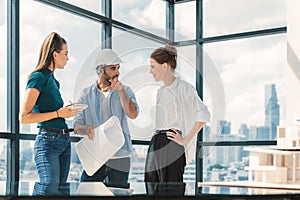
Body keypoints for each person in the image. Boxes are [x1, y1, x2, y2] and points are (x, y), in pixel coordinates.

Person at [19, 32, 84, 195]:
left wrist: (65, 112)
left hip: (63, 141)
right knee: (48, 188)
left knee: (61, 191)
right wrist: (59, 113)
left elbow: (55, 112)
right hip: (48, 142)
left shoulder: (54, 82)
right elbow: (24, 117)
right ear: (55, 54)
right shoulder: (37, 77)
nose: (68, 58)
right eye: (66, 53)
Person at [73, 49, 139, 188]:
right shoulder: (85, 94)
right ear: (101, 70)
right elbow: (77, 126)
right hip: (95, 156)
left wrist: (121, 92)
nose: (118, 72)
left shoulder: (125, 90)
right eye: (113, 68)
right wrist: (87, 129)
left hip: (120, 157)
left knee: (119, 193)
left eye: (118, 68)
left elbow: (133, 114)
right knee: (86, 191)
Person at [144, 45, 211, 182]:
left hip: (172, 143)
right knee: (151, 185)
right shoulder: (160, 91)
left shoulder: (184, 88)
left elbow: (204, 115)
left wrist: (185, 140)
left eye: (153, 66)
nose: (150, 71)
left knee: (171, 189)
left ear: (164, 66)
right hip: (156, 141)